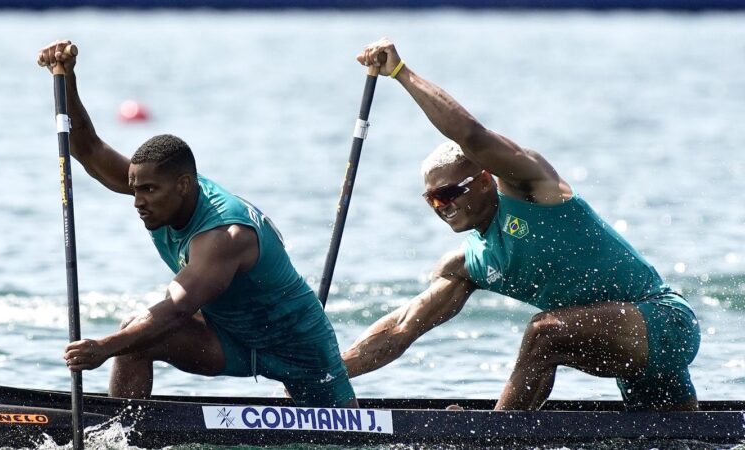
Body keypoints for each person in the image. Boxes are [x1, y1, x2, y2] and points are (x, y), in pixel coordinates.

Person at [341, 38, 700, 411]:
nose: (441, 206)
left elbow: (471, 135)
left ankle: (498, 437)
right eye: (431, 198)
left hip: (663, 321)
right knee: (683, 436)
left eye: (449, 193)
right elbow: (400, 330)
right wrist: (324, 375)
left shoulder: (532, 188)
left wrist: (400, 73)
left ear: (484, 179)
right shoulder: (468, 265)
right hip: (619, 345)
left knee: (543, 333)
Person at [37, 40, 357, 408]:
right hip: (230, 338)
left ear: (184, 185)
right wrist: (67, 79)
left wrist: (101, 348)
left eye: (149, 191)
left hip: (300, 348)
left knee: (350, 436)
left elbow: (176, 309)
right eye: (135, 190)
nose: (138, 201)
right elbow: (89, 149)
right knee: (136, 339)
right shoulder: (165, 194)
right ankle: (118, 436)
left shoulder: (225, 235)